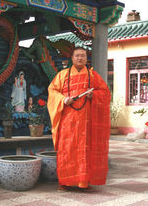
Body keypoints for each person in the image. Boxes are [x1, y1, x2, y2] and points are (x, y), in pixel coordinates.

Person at [47, 47, 111, 191]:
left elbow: (105, 93)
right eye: (77, 56)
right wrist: (63, 100)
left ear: (86, 59)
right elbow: (52, 91)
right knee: (66, 150)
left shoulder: (93, 76)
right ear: (72, 58)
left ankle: (83, 181)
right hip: (67, 121)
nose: (80, 58)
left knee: (84, 150)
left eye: (82, 56)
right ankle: (64, 182)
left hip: (86, 122)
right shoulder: (62, 75)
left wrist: (93, 95)